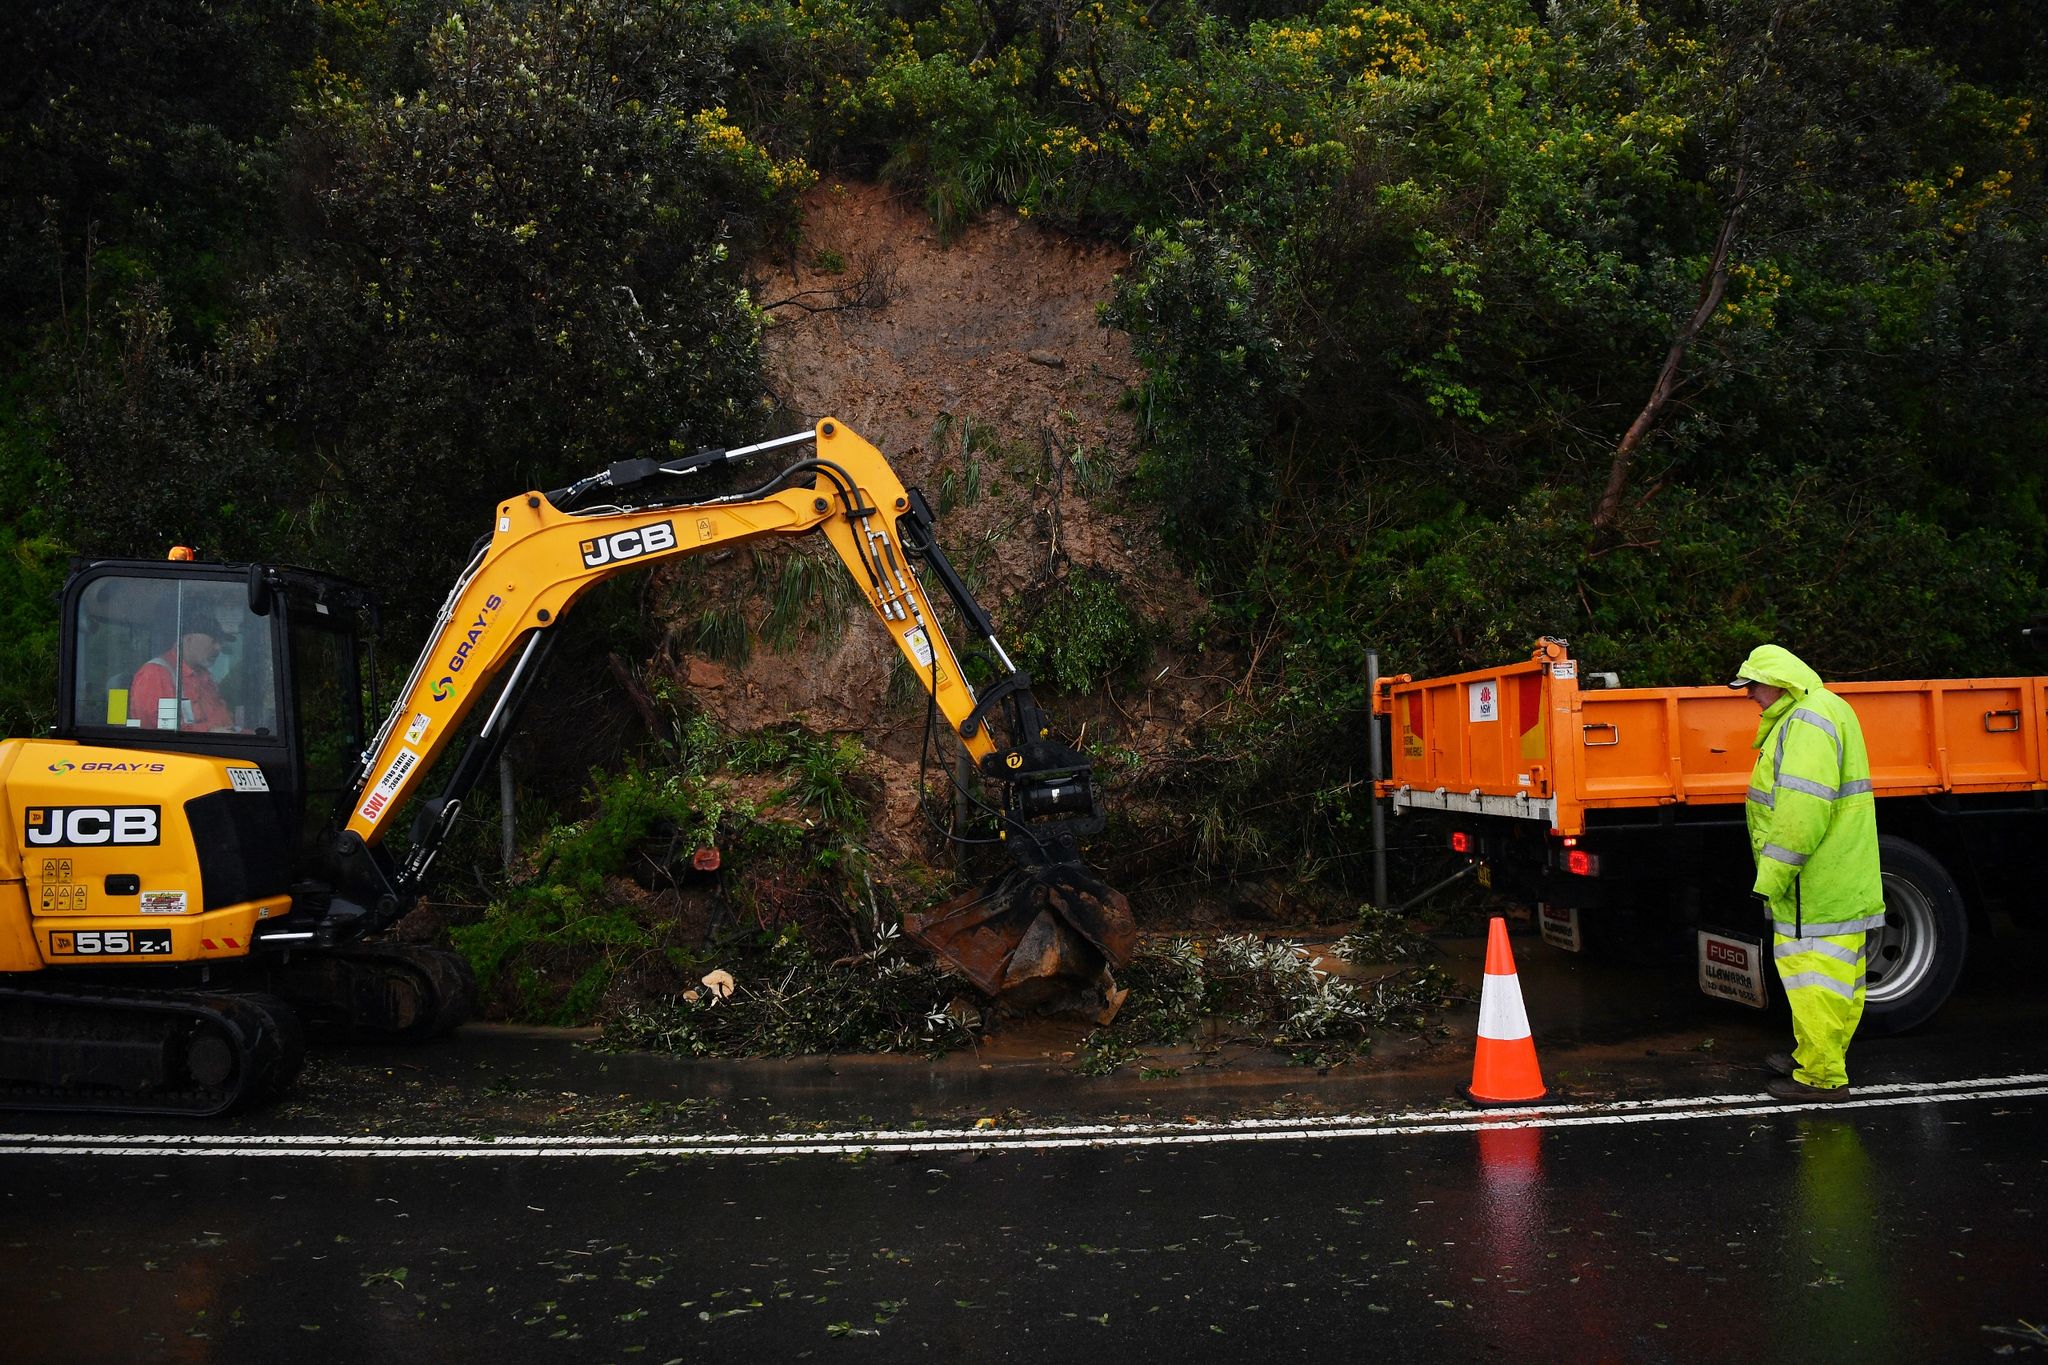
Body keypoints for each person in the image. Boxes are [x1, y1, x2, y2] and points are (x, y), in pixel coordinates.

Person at [1728, 644, 1883, 1102]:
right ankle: (1814, 1056)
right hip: (1836, 875)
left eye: (1753, 685)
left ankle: (1821, 1078)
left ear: (1777, 681)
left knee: (1813, 978)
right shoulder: (1823, 708)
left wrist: (1771, 879)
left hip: (1813, 881)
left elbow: (1801, 813)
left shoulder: (1806, 721)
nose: (1749, 695)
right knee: (1833, 979)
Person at [131, 617, 235, 732]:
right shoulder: (155, 674)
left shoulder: (206, 678)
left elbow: (224, 721)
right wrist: (209, 732)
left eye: (220, 642)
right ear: (188, 639)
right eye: (213, 641)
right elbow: (157, 732)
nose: (218, 648)